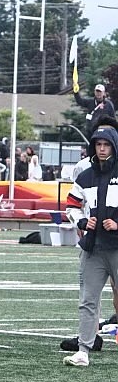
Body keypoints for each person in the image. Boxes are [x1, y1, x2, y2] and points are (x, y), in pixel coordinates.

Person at [63, 125, 118, 367]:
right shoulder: (84, 176)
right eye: (98, 144)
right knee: (88, 300)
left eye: (106, 144)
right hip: (93, 249)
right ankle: (83, 350)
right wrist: (83, 221)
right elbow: (71, 206)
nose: (102, 148)